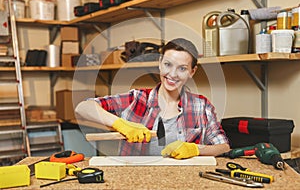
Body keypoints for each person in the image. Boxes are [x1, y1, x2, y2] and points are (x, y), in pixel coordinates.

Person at [75, 38, 230, 159]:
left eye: (182, 68)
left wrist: (196, 149)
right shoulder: (137, 99)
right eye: (168, 64)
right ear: (160, 63)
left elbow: (223, 146)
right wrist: (120, 124)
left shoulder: (201, 106)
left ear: (192, 72)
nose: (173, 74)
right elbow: (83, 108)